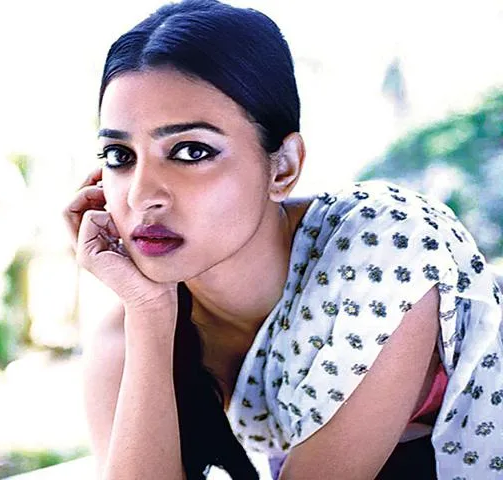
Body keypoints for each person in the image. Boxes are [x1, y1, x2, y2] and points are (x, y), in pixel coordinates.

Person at [63, 1, 503, 478]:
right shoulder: (129, 331)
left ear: (284, 167)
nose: (141, 195)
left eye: (191, 151)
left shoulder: (386, 249)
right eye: (119, 155)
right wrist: (150, 313)